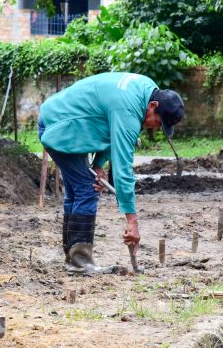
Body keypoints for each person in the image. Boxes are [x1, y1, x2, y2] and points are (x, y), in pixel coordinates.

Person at [38, 72, 184, 276]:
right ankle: (79, 263)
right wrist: (132, 221)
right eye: (159, 123)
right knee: (86, 190)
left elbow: (111, 130)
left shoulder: (146, 89)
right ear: (153, 106)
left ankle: (74, 259)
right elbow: (123, 170)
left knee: (77, 191)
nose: (156, 128)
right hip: (60, 126)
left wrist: (98, 164)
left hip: (61, 117)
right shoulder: (128, 109)